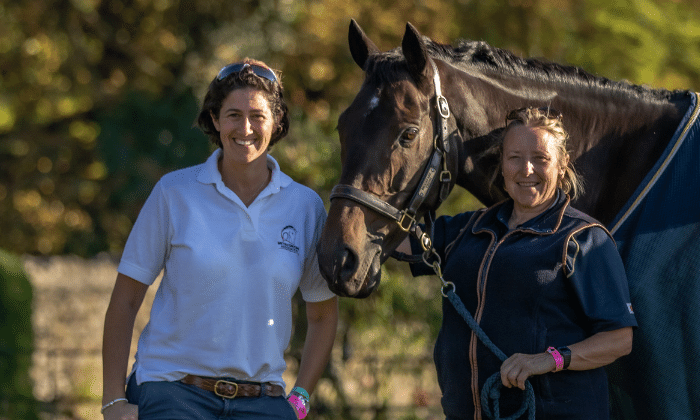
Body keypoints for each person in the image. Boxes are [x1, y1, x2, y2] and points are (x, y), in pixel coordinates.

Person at [101, 58, 338, 420]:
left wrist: (300, 400)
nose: (245, 127)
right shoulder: (174, 193)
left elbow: (322, 316)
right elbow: (125, 300)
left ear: (276, 122)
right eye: (233, 114)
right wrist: (113, 401)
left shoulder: (305, 207)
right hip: (172, 392)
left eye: (258, 115)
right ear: (215, 120)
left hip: (264, 402)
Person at [397, 106, 637, 420]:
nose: (526, 170)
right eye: (515, 158)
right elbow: (390, 238)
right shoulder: (468, 228)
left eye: (541, 158)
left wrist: (549, 359)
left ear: (562, 166)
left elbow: (619, 340)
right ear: (503, 164)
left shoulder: (584, 239)